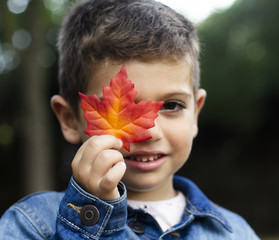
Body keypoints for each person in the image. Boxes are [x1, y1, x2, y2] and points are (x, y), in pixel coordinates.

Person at [0, 0, 260, 239]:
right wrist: (92, 214)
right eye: (127, 110)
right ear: (69, 119)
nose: (149, 132)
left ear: (195, 113)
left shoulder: (235, 232)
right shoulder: (31, 224)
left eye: (171, 105)